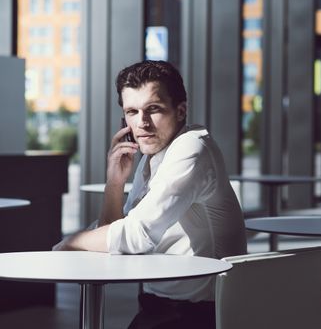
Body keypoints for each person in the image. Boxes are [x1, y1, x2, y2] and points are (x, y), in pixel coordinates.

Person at [53, 60, 247, 329]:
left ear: (180, 111)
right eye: (132, 111)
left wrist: (71, 242)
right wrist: (115, 182)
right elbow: (116, 232)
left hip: (204, 314)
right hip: (161, 304)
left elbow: (137, 235)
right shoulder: (152, 155)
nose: (142, 123)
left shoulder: (192, 148)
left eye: (153, 109)